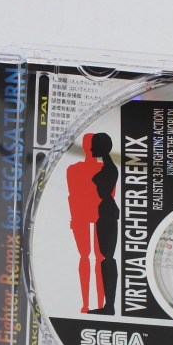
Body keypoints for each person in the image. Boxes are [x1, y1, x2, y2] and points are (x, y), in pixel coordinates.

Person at [66, 132, 119, 315]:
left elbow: (108, 193)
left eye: (92, 144)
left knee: (99, 259)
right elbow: (72, 195)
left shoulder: (105, 169)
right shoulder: (75, 169)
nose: (89, 148)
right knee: (88, 258)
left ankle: (101, 304)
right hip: (87, 215)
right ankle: (88, 304)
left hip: (100, 215)